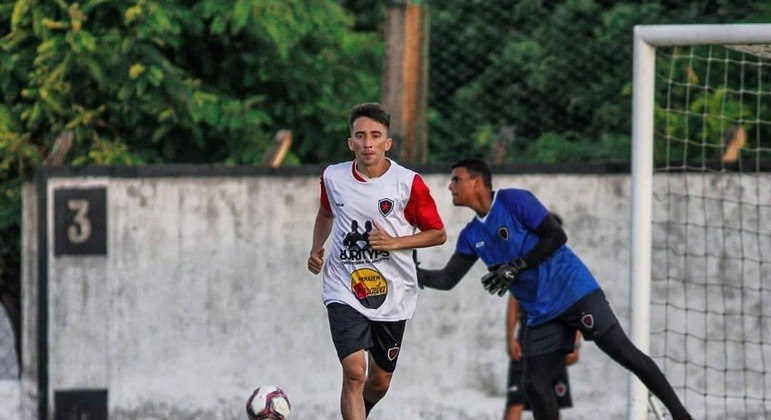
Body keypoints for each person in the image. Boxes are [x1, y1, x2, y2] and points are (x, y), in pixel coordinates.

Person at [416, 158, 691, 420]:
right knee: (534, 384)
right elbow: (447, 279)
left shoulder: (514, 200)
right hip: (541, 314)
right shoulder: (471, 235)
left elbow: (556, 236)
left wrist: (516, 265)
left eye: (456, 180)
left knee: (625, 354)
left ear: (477, 182)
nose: (450, 186)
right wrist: (412, 274)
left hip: (574, 293)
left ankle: (681, 415)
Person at [307, 102, 447, 420]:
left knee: (378, 382)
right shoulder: (333, 177)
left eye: (375, 135)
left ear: (387, 143)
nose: (367, 143)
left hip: (393, 291)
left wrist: (394, 242)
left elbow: (437, 233)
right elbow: (326, 213)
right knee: (354, 372)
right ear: (350, 143)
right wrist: (316, 248)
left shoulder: (408, 184)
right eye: (360, 136)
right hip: (345, 285)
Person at [505, 294, 581, 420]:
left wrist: (576, 344)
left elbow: (577, 303)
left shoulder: (563, 275)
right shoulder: (522, 274)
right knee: (515, 403)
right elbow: (514, 298)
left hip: (555, 347)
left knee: (551, 405)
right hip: (525, 346)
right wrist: (510, 338)